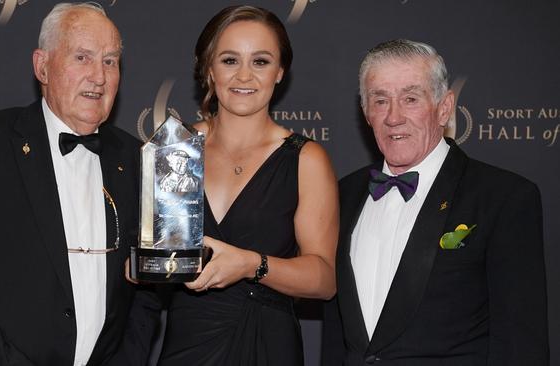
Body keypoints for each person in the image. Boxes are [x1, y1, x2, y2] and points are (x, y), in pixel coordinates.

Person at [0, 3, 158, 366]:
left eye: (110, 61)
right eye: (82, 57)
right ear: (42, 66)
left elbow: (147, 293)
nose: (99, 76)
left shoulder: (138, 157)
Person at [322, 39, 549, 365]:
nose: (394, 117)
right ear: (365, 112)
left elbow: (520, 343)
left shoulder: (504, 198)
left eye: (410, 99)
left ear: (444, 107)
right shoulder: (342, 195)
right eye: (380, 100)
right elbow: (335, 333)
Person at [157, 5, 339, 366]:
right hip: (189, 342)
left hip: (267, 344)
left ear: (280, 71)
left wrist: (251, 265)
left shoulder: (305, 159)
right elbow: (160, 258)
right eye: (229, 60)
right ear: (209, 69)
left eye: (260, 61)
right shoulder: (174, 147)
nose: (244, 76)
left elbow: (324, 279)